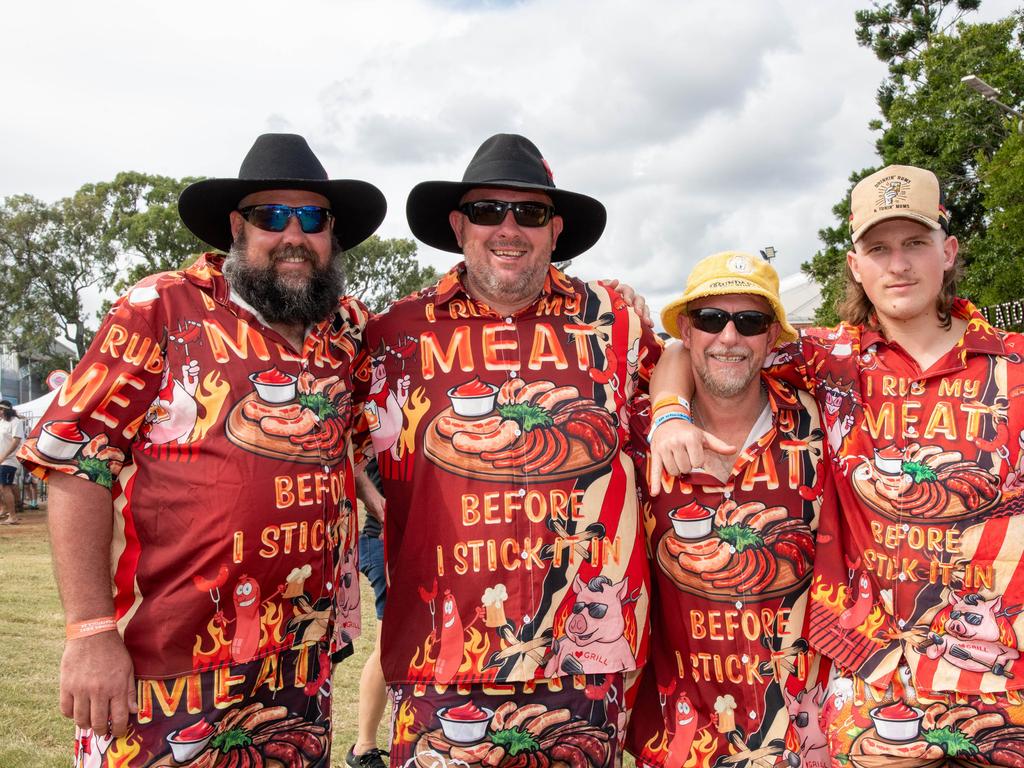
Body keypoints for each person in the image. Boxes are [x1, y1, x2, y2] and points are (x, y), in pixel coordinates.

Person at [18, 133, 386, 767]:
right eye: (273, 216)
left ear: (332, 234)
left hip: (301, 665)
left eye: (313, 218)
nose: (293, 234)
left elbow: (349, 438)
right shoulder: (161, 308)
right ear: (237, 228)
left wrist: (374, 497)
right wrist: (89, 632)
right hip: (169, 666)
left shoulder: (344, 328)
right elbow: (76, 463)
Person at [650, 165, 1024, 765]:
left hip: (998, 669)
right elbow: (690, 344)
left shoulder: (1016, 366)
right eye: (879, 248)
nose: (897, 264)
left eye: (914, 243)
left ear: (947, 251)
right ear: (856, 266)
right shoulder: (832, 358)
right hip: (872, 671)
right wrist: (668, 410)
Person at [353, 133, 662, 767]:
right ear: (459, 225)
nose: (510, 227)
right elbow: (326, 429)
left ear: (556, 231)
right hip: (441, 654)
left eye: (531, 213)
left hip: (584, 649)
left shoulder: (616, 325)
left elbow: (690, 381)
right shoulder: (394, 335)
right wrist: (375, 501)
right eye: (490, 211)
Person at [624, 252, 834, 768]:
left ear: (772, 338)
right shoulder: (635, 426)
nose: (729, 337)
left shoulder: (824, 420)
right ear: (688, 333)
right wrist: (667, 412)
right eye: (711, 319)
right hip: (681, 735)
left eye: (750, 321)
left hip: (805, 731)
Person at [348, 458, 390, 768]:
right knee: (387, 646)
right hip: (384, 540)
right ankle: (363, 746)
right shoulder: (381, 415)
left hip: (400, 540)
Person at [0, 400, 25, 524]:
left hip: (10, 460)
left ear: (5, 410)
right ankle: (5, 509)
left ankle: (13, 516)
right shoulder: (2, 422)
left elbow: (16, 442)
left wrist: (4, 456)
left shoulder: (16, 422)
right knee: (3, 487)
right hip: (2, 459)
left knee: (5, 486)